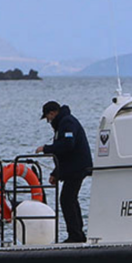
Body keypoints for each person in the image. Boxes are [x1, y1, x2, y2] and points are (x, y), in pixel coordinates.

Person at [36, 100, 93, 243]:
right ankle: (78, 233)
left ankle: (76, 235)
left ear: (53, 113)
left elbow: (68, 145)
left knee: (67, 199)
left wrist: (46, 148)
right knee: (70, 199)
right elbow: (65, 156)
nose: (48, 121)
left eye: (48, 117)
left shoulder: (67, 122)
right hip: (73, 167)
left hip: (78, 167)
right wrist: (56, 173)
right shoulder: (63, 123)